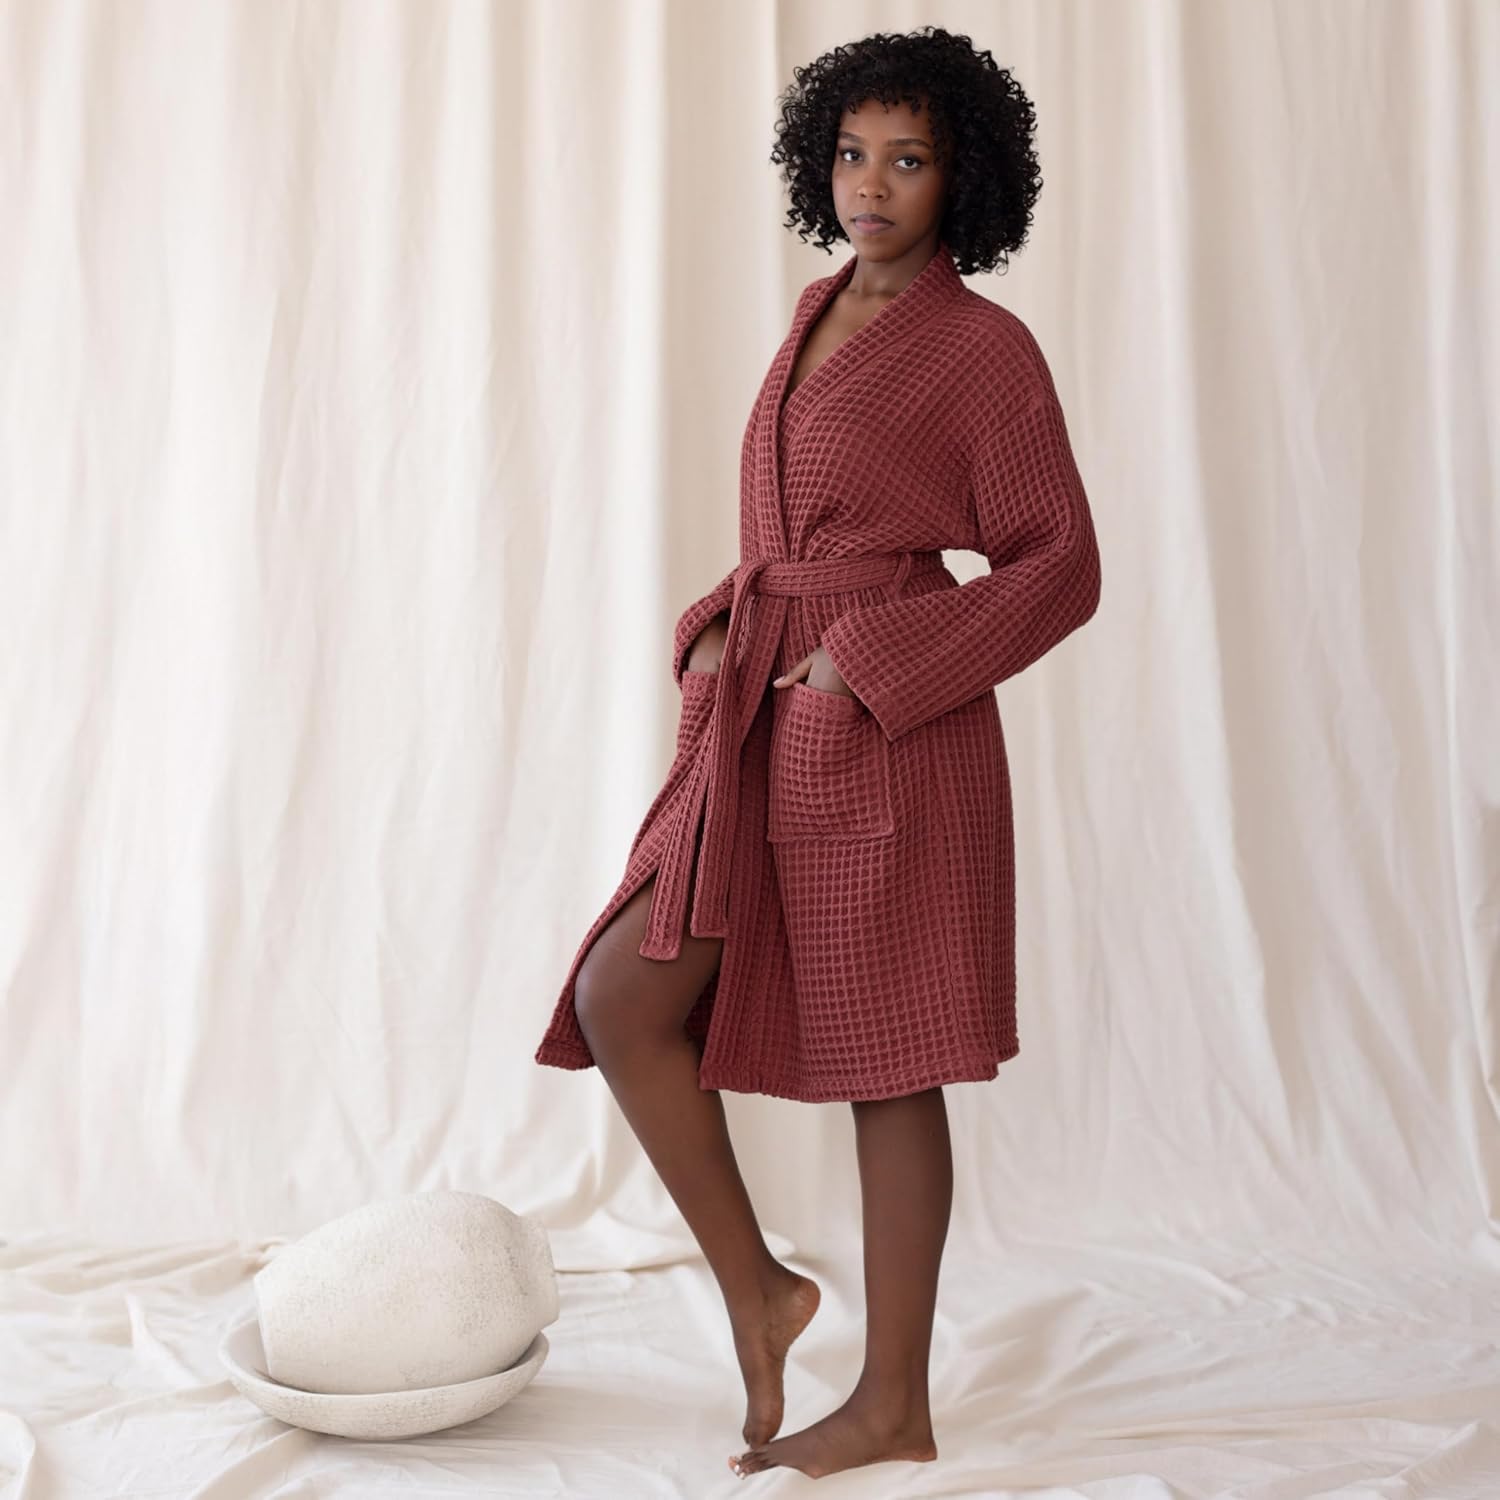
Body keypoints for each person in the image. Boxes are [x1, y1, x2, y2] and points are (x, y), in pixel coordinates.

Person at [533, 25, 1102, 1482]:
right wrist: (729, 620)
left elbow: (1061, 565)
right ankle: (760, 1291)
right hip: (763, 710)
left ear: (964, 178)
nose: (872, 185)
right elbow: (797, 528)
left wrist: (870, 660)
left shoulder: (983, 350)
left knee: (888, 1062)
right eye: (852, 155)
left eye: (909, 160)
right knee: (622, 996)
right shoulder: (818, 308)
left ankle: (895, 1404)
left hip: (891, 730)